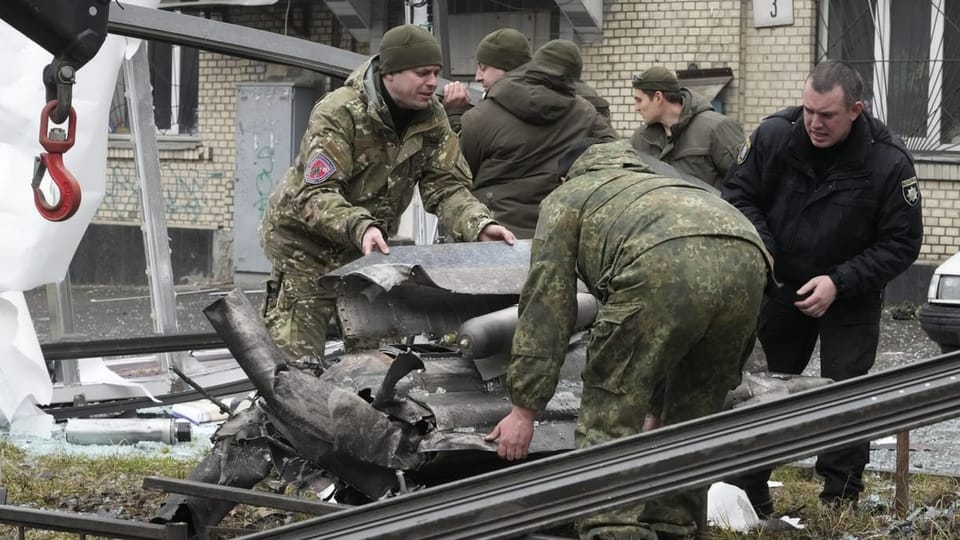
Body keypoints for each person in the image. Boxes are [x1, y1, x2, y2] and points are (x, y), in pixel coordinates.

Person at [486, 139, 772, 539]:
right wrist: (658, 407)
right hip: (749, 256)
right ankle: (674, 524)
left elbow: (548, 304)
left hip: (660, 263)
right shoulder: (657, 184)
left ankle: (612, 528)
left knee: (611, 410)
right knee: (692, 414)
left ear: (567, 176)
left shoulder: (567, 197)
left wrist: (524, 410)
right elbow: (675, 330)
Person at [721, 60, 923, 515]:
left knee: (844, 393)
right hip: (781, 285)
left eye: (826, 115)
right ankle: (748, 491)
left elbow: (902, 242)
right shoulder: (775, 135)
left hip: (850, 292)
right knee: (761, 389)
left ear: (855, 110)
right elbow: (737, 195)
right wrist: (765, 250)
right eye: (809, 110)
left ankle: (839, 499)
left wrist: (840, 280)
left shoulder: (888, 161)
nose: (814, 123)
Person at [259, 24, 515, 362]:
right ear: (390, 72)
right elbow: (315, 194)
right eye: (422, 72)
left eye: (436, 73)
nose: (432, 82)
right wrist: (361, 226)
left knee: (372, 369)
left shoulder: (433, 118)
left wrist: (478, 224)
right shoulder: (341, 112)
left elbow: (446, 186)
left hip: (367, 255)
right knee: (295, 371)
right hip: (306, 251)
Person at [459, 39, 617, 238]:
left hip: (494, 235)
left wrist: (453, 116)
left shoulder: (480, 116)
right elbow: (619, 159)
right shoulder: (586, 114)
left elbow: (456, 179)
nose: (478, 76)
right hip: (558, 239)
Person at [631, 66, 744, 188]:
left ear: (658, 97)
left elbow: (744, 181)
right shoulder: (640, 138)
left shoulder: (717, 128)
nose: (636, 108)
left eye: (639, 100)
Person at [441, 28, 531, 133]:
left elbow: (465, 147)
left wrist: (455, 113)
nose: (477, 77)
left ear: (508, 70)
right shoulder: (534, 105)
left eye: (483, 68)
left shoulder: (506, 116)